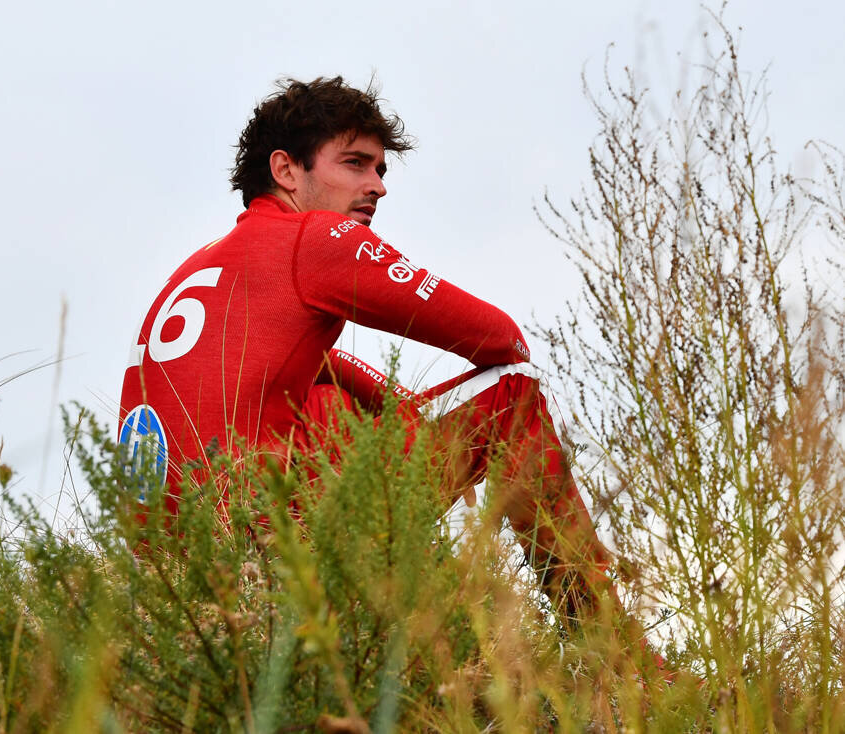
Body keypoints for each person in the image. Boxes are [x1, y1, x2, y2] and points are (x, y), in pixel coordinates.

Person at [118, 76, 628, 633]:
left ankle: (414, 604)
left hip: (166, 577)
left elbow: (302, 369)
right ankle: (608, 645)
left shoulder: (203, 264)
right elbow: (501, 338)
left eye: (380, 170)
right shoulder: (314, 238)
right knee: (513, 391)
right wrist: (432, 433)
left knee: (322, 401)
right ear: (286, 170)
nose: (378, 186)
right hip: (261, 558)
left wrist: (398, 407)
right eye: (355, 164)